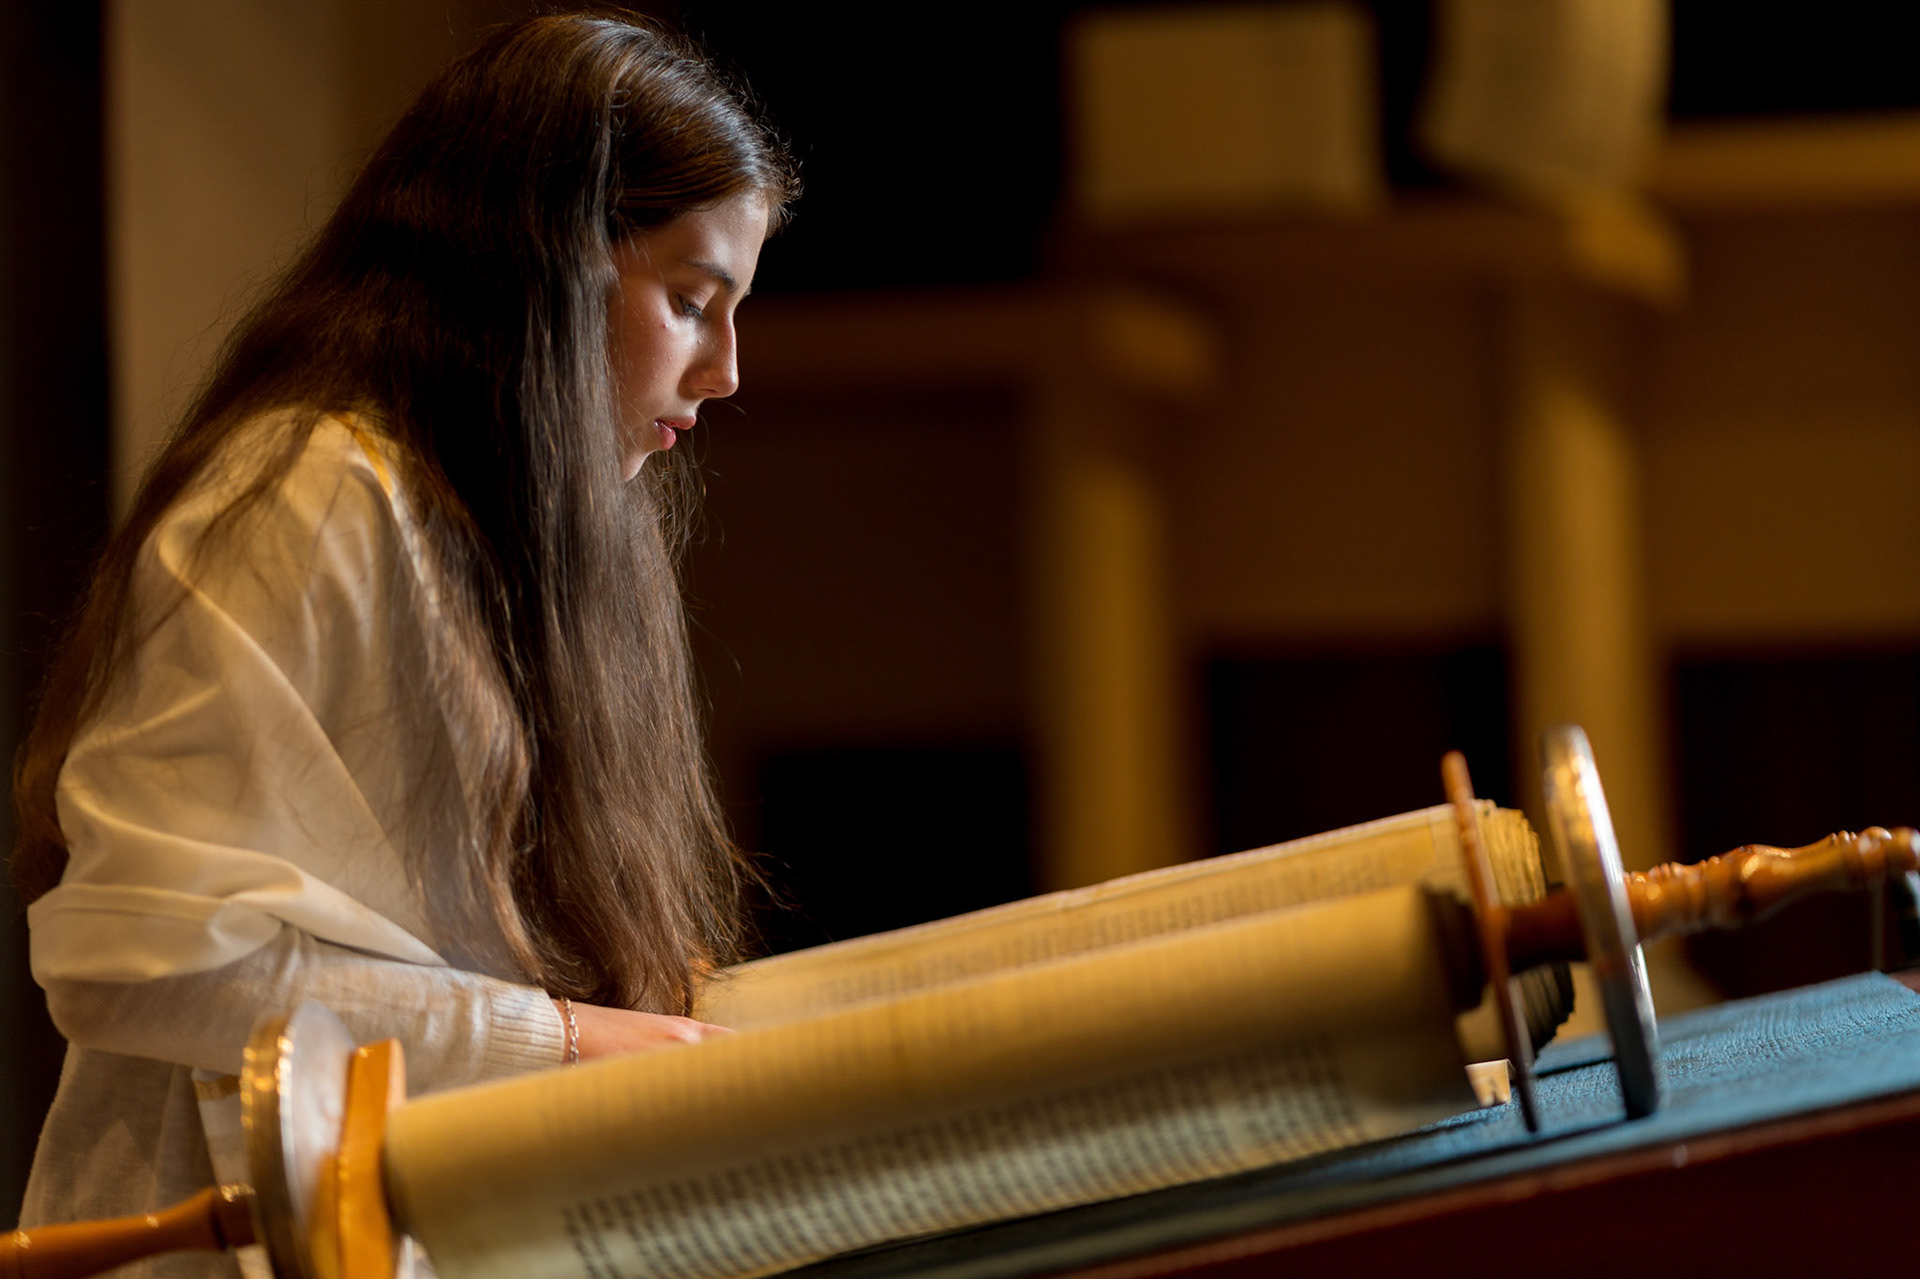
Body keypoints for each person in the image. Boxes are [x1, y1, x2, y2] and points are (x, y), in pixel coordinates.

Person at [9, 12, 797, 1263]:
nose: (727, 371)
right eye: (693, 301)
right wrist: (563, 1036)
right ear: (544, 261)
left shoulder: (496, 523)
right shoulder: (309, 492)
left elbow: (424, 941)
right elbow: (139, 965)